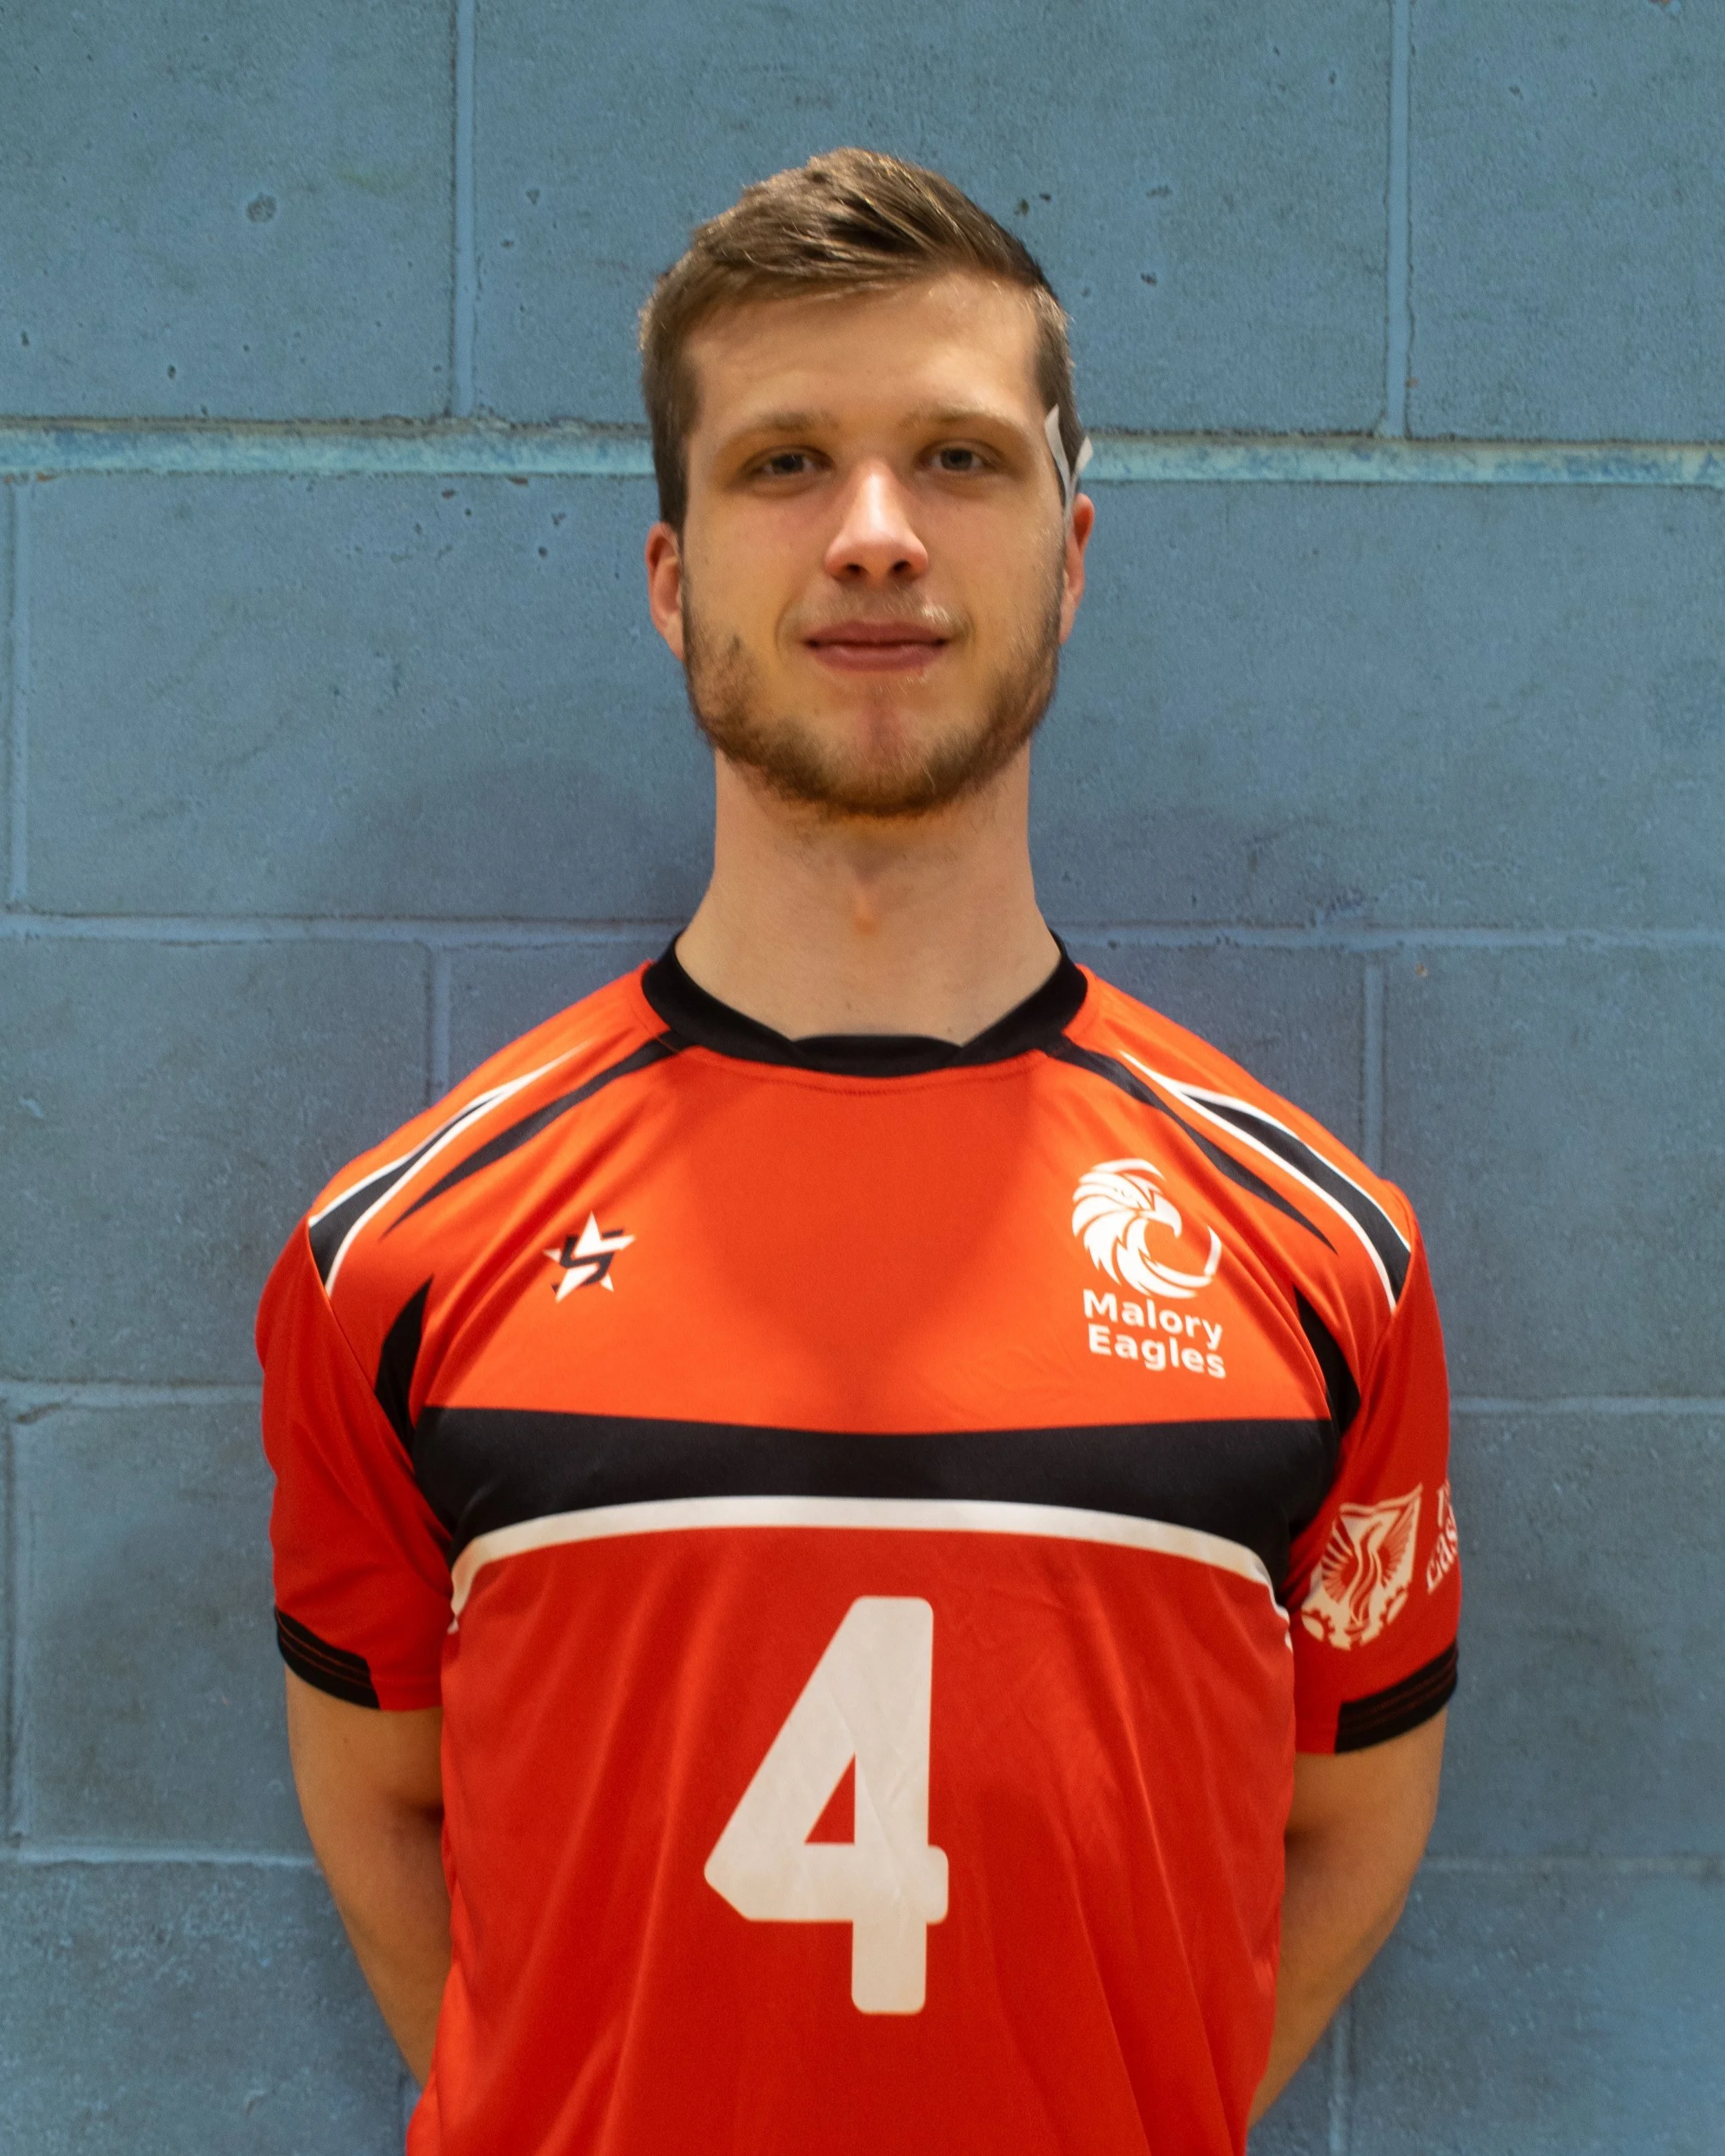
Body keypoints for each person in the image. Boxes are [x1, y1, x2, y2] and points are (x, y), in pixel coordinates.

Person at [260, 148, 1459, 2156]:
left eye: (960, 463)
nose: (878, 536)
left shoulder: (1327, 1257)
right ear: (671, 580)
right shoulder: (397, 1252)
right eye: (787, 463)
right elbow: (387, 1806)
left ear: (1072, 555)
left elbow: (1344, 1825)